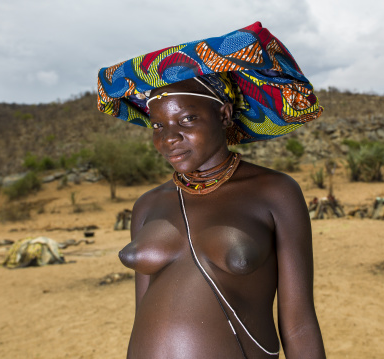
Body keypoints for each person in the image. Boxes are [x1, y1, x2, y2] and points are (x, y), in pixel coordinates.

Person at [97, 22, 326, 359]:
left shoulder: (275, 193)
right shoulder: (148, 204)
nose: (168, 138)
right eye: (158, 125)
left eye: (186, 119)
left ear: (223, 114)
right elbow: (141, 314)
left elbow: (299, 323)